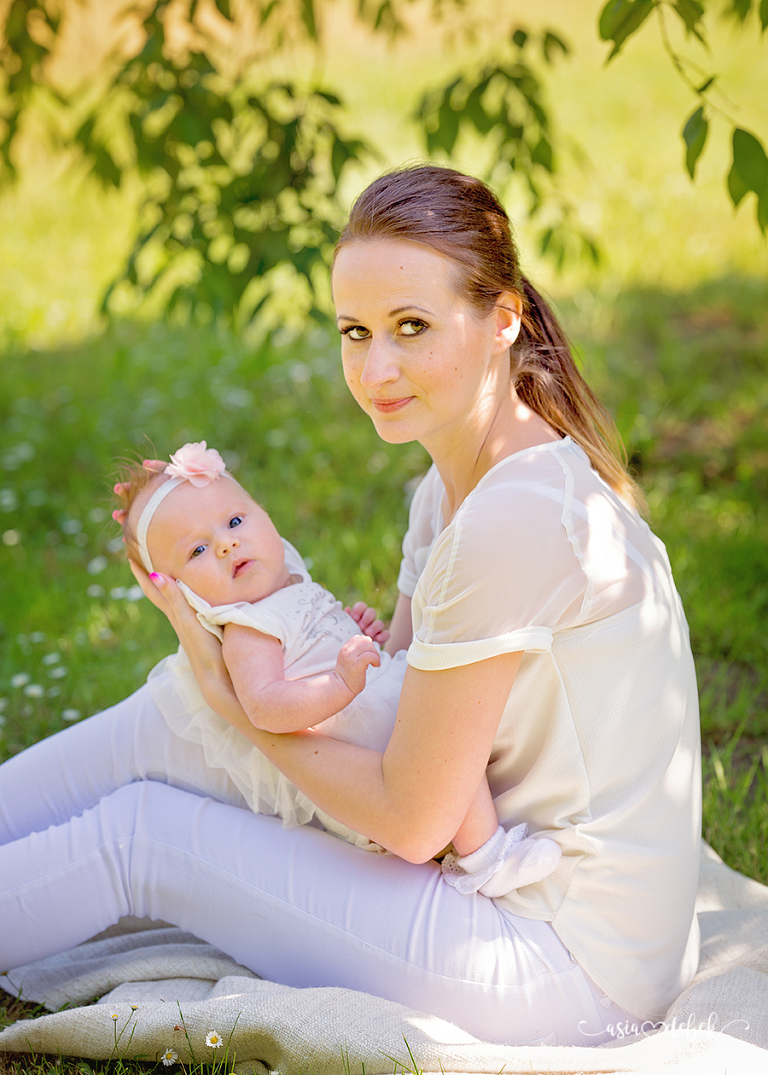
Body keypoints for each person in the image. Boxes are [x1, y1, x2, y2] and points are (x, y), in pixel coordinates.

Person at [0, 165, 701, 1049]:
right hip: (511, 891)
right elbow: (399, 705)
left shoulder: (514, 519)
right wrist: (244, 686)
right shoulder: (451, 490)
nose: (377, 368)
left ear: (503, 319)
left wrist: (244, 709)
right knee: (171, 719)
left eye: (412, 328)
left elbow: (414, 820)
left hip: (566, 965)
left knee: (145, 832)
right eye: (355, 330)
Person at [111, 439, 562, 891]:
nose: (227, 544)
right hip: (361, 750)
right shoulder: (247, 630)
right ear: (182, 594)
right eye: (197, 551)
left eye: (233, 521)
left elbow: (318, 640)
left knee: (450, 751)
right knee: (441, 762)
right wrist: (339, 682)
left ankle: (484, 843)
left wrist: (358, 632)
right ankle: (486, 860)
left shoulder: (291, 589)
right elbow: (266, 707)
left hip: (380, 713)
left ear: (265, 516)